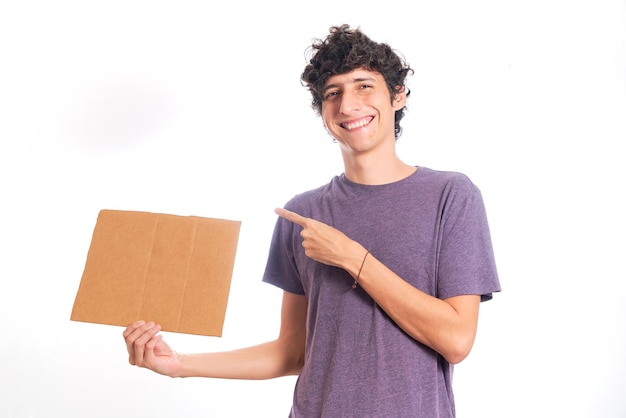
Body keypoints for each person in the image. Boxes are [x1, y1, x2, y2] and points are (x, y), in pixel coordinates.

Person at [123, 24, 501, 417]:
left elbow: (457, 339)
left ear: (398, 96)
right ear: (323, 115)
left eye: (364, 86)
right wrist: (180, 365)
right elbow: (292, 352)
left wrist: (352, 257)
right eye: (332, 94)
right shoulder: (302, 214)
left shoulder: (451, 196)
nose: (348, 106)